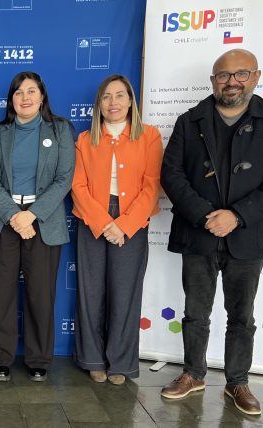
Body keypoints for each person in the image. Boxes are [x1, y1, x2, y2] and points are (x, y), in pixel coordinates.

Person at [159, 49, 263, 416]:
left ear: (256, 76)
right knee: (195, 312)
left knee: (242, 315)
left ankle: (237, 382)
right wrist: (207, 215)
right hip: (199, 232)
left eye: (241, 74)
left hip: (248, 235)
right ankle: (193, 374)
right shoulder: (189, 122)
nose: (231, 81)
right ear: (213, 81)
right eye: (223, 75)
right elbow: (171, 176)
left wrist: (236, 216)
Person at [0, 71, 75, 382]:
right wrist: (14, 216)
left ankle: (38, 359)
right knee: (0, 295)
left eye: (31, 91)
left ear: (42, 97)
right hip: (3, 219)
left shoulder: (60, 130)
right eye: (19, 92)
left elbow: (64, 179)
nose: (25, 97)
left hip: (43, 220)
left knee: (40, 294)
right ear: (11, 100)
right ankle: (0, 357)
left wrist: (31, 214)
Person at [71, 75, 162, 386]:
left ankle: (121, 362)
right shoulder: (84, 140)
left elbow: (151, 187)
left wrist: (123, 225)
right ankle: (93, 358)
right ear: (99, 104)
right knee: (90, 293)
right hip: (91, 219)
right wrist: (102, 223)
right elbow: (78, 187)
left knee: (125, 294)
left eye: (120, 96)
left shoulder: (149, 136)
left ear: (130, 101)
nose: (113, 103)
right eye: (107, 97)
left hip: (132, 221)